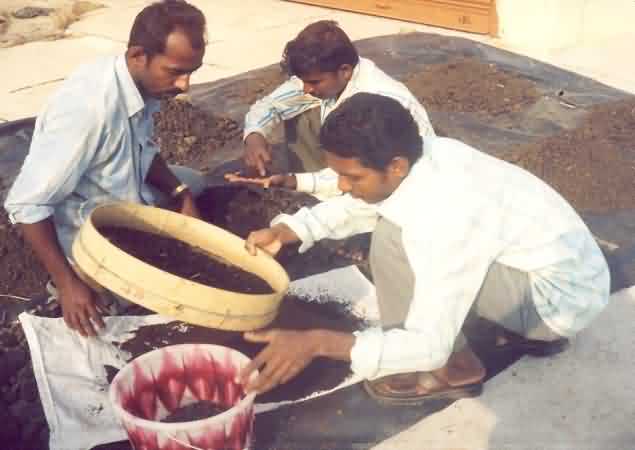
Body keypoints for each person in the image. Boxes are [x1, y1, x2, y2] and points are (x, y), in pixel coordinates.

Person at [238, 93, 610, 404]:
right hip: (568, 274)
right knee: (395, 224)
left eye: (351, 176)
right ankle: (512, 330)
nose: (344, 186)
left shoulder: (445, 217)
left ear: (396, 166)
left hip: (557, 304)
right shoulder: (427, 154)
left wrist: (319, 343)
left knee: (391, 240)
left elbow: (429, 341)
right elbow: (374, 197)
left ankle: (456, 368)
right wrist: (292, 229)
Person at [4, 0, 209, 338]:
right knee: (140, 301)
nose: (185, 84)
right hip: (86, 225)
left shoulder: (139, 84)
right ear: (138, 55)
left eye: (191, 72)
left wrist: (180, 194)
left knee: (195, 182)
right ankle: (78, 278)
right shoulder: (89, 110)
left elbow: (144, 150)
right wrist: (68, 284)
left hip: (123, 195)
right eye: (175, 71)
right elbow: (26, 205)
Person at [236, 20, 435, 200]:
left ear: (345, 71)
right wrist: (255, 136)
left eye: (313, 82)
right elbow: (269, 105)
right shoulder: (326, 78)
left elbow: (369, 170)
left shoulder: (376, 106)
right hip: (359, 171)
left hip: (390, 188)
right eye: (304, 81)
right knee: (299, 109)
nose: (306, 88)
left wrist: (294, 181)